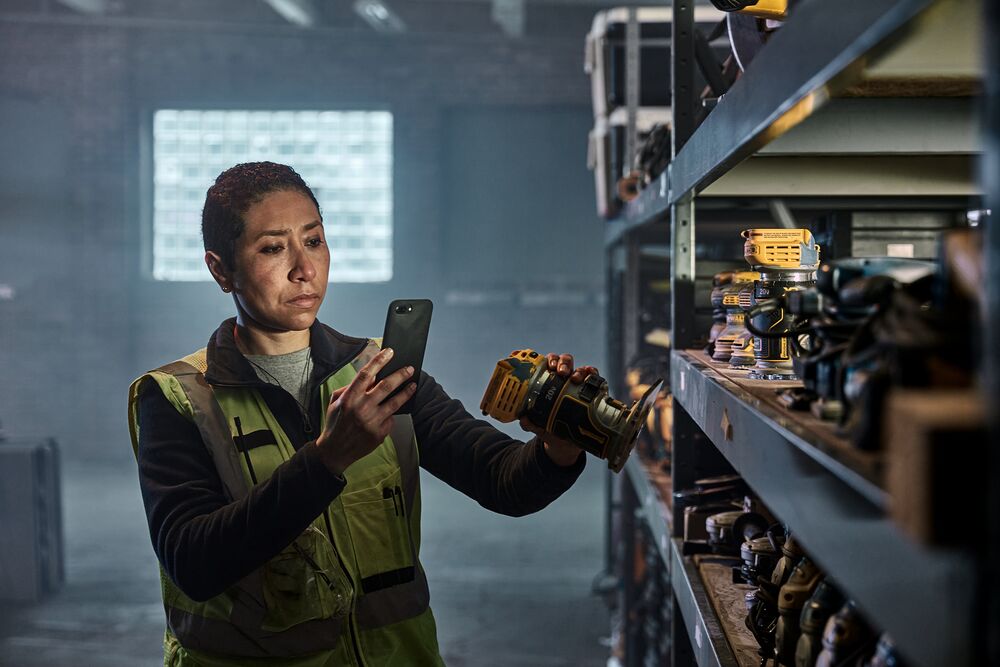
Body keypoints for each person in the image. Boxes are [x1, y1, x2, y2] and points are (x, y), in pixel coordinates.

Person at [127, 161, 599, 666]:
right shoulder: (179, 398)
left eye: (314, 241)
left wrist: (557, 446)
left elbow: (502, 480)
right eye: (272, 248)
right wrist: (327, 459)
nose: (304, 269)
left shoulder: (380, 371)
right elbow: (193, 563)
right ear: (221, 269)